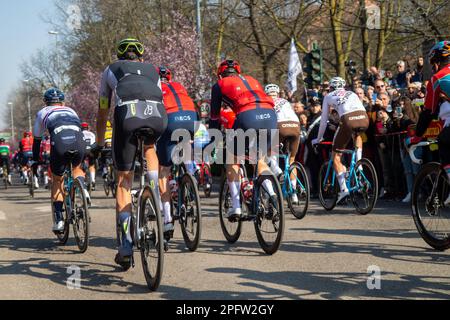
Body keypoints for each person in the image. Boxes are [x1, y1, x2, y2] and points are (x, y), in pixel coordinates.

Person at [96, 38, 168, 269]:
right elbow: (160, 97)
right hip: (157, 114)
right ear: (140, 56)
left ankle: (126, 246)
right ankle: (154, 190)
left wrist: (99, 141)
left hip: (127, 114)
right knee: (149, 147)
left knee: (123, 180)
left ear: (120, 55)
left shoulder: (111, 69)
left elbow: (103, 109)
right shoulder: (153, 71)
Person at [209, 59, 278, 218]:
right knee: (259, 159)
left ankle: (236, 206)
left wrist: (215, 141)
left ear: (220, 75)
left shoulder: (219, 85)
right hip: (270, 115)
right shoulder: (252, 79)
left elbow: (214, 118)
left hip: (247, 116)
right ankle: (273, 195)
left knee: (232, 159)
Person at [32, 88, 86, 232]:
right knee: (77, 168)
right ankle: (83, 190)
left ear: (45, 102)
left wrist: (35, 161)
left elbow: (37, 140)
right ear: (63, 102)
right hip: (79, 140)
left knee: (57, 179)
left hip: (60, 142)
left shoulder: (42, 113)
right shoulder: (71, 110)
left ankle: (59, 220)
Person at [312, 77, 369, 203]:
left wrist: (319, 138)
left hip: (348, 120)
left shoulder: (328, 96)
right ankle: (359, 166)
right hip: (364, 118)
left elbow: (323, 121)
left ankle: (343, 190)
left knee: (336, 156)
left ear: (331, 87)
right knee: (357, 134)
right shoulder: (352, 93)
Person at [156, 66, 198, 235]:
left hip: (171, 120)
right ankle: (191, 174)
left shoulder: (154, 89)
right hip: (191, 119)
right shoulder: (179, 86)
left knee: (163, 170)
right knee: (185, 140)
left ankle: (167, 219)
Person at [414, 41, 450, 204]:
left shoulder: (437, 78)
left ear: (437, 61)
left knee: (444, 142)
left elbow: (428, 111)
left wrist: (417, 135)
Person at [265, 83, 301, 204]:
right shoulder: (285, 101)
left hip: (280, 126)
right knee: (291, 160)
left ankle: (278, 172)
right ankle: (294, 194)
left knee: (270, 152)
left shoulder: (266, 102)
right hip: (296, 125)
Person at [81, 122, 97, 192]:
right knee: (92, 165)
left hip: (83, 150)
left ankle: (82, 182)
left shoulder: (79, 134)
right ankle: (93, 180)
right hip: (91, 150)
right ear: (87, 128)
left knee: (80, 166)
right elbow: (94, 143)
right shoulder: (92, 134)